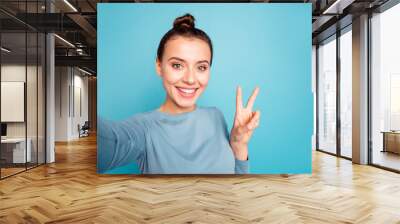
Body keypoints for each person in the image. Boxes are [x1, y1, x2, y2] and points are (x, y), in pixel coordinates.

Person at [98, 13, 260, 174]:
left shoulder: (216, 116)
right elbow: (107, 143)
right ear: (159, 66)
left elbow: (235, 182)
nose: (190, 79)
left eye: (201, 67)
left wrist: (239, 144)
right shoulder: (144, 128)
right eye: (177, 65)